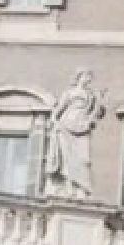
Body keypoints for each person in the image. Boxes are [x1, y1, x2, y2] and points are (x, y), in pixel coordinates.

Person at [44, 69, 105, 200]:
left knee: (84, 159)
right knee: (67, 160)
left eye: (90, 76)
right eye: (86, 76)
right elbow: (59, 109)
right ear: (79, 77)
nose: (89, 78)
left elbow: (98, 113)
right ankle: (69, 188)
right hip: (67, 124)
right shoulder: (69, 93)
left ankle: (82, 188)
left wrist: (100, 100)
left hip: (83, 126)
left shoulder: (92, 95)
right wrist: (54, 123)